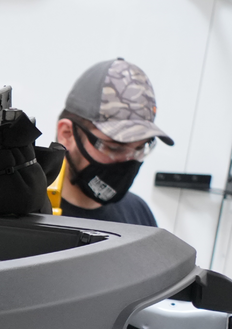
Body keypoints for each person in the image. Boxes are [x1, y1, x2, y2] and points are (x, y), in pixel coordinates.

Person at [53, 58, 175, 227]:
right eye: (114, 147)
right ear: (67, 134)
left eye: (140, 147)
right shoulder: (26, 215)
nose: (128, 160)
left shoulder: (138, 215)